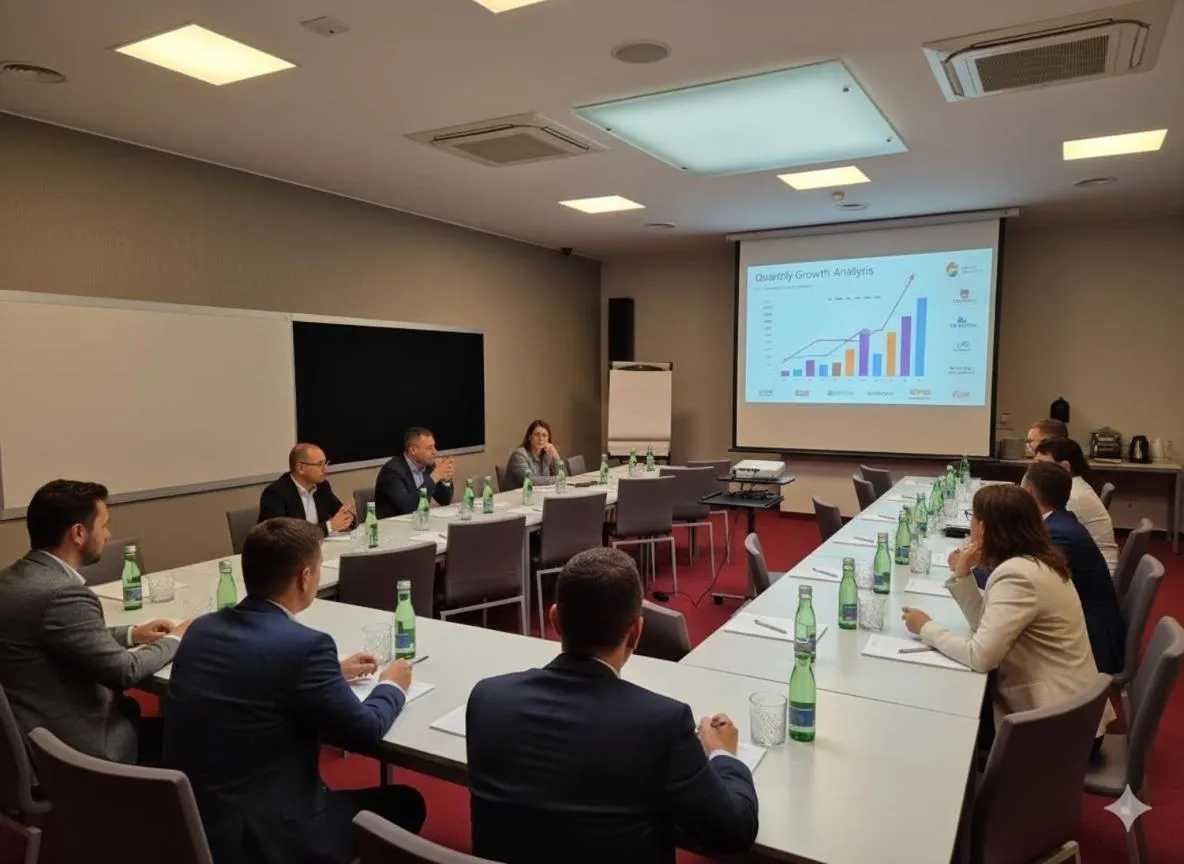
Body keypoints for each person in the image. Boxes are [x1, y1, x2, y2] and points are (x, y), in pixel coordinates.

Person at [466, 547, 759, 864]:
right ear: (636, 631)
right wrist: (723, 755)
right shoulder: (662, 724)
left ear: (554, 620)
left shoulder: (487, 698)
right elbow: (734, 829)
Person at [162, 518, 426, 864]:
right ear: (305, 577)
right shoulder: (306, 647)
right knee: (407, 802)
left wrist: (331, 673)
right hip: (266, 839)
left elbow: (254, 674)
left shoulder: (202, 629)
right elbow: (364, 732)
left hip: (193, 819)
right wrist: (392, 685)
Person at [901, 484, 1115, 754]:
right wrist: (964, 575)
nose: (970, 524)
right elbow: (984, 626)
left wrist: (926, 628)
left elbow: (981, 656)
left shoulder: (1018, 575)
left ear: (986, 527)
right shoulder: (1035, 559)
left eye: (973, 517)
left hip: (1056, 727)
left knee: (937, 727)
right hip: (1070, 711)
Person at [0, 480, 188, 764]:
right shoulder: (63, 594)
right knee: (196, 741)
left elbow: (63, 635)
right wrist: (177, 638)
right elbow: (125, 672)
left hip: (26, 735)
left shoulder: (13, 578)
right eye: (104, 525)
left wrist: (131, 634)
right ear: (78, 533)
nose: (108, 535)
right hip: (75, 750)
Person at [1019, 461, 1125, 674]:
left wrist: (973, 569)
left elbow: (1025, 581)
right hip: (1083, 625)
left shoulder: (1058, 534)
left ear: (1029, 493)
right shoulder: (1060, 521)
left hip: (1090, 644)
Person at [1034, 437, 1119, 572]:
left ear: (1064, 467)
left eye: (1042, 466)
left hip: (1093, 574)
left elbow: (1042, 535)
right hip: (1092, 566)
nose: (1033, 472)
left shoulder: (1072, 497)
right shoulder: (1075, 486)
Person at [258, 443, 355, 535]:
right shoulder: (276, 493)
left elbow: (341, 514)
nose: (325, 469)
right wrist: (329, 527)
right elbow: (281, 536)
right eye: (319, 464)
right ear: (301, 468)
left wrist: (347, 518)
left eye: (326, 463)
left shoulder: (322, 487)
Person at [374, 427, 455, 518]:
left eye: (434, 447)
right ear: (413, 450)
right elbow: (408, 508)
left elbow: (444, 500)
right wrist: (434, 477)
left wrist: (446, 480)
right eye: (429, 448)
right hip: (393, 527)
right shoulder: (392, 471)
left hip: (418, 524)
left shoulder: (428, 467)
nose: (435, 452)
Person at [502, 419, 563, 490]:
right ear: (529, 437)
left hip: (538, 493)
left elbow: (563, 476)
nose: (541, 438)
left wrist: (556, 456)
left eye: (544, 435)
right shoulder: (519, 455)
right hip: (515, 497)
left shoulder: (547, 453)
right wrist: (556, 479)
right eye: (537, 434)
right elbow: (530, 481)